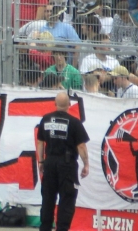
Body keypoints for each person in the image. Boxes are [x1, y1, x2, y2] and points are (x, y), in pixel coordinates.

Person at [36, 91, 90, 231]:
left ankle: (45, 227)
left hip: (50, 163)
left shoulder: (46, 119)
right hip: (67, 165)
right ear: (69, 105)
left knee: (48, 198)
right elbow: (81, 146)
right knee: (67, 200)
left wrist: (41, 162)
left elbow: (40, 142)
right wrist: (86, 164)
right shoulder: (74, 123)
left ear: (55, 104)